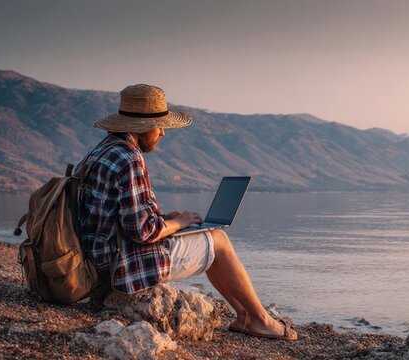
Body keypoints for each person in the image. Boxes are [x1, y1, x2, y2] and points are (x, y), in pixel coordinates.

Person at [77, 84, 296, 341]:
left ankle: (244, 316)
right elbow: (142, 231)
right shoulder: (128, 158)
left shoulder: (104, 150)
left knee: (210, 239)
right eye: (160, 126)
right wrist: (178, 223)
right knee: (219, 241)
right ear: (143, 127)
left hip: (100, 257)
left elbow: (123, 217)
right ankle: (261, 320)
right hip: (120, 265)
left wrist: (168, 220)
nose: (163, 133)